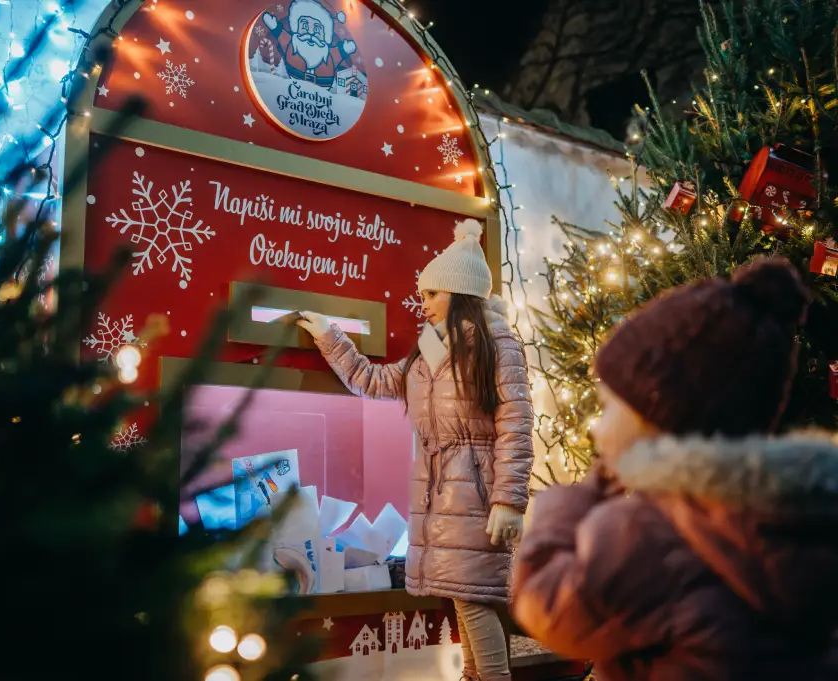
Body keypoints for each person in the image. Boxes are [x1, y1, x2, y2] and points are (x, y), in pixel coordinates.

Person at [512, 257, 838, 680]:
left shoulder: (649, 533)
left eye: (609, 408)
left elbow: (547, 606)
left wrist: (568, 505)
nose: (598, 428)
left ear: (654, 422)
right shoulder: (790, 516)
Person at [297, 219, 534, 681]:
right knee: (462, 596)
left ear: (459, 293)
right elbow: (375, 381)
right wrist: (330, 336)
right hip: (440, 489)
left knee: (473, 598)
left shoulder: (497, 345)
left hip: (477, 491)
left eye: (432, 294)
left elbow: (516, 424)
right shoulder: (430, 349)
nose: (423, 304)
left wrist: (509, 500)